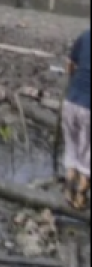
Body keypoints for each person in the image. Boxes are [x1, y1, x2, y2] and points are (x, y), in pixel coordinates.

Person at [63, 27, 90, 210]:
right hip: (88, 107)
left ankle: (68, 188)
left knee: (71, 147)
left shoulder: (85, 36)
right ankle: (80, 197)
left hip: (70, 101)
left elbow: (70, 65)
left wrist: (73, 80)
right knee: (87, 152)